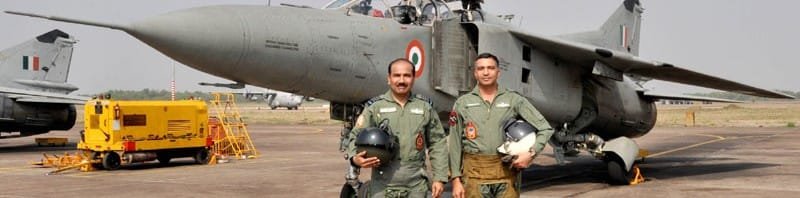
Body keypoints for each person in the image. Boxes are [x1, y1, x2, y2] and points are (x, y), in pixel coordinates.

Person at [448, 53, 554, 198]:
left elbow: (545, 128)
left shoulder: (514, 100)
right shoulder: (463, 103)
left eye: (491, 68)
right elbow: (455, 143)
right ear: (475, 73)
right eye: (481, 69)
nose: (486, 72)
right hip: (473, 178)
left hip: (507, 176)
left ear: (498, 72)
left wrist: (531, 153)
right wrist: (455, 180)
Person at [346, 58, 448, 198]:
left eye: (406, 76)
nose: (401, 80)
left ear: (413, 79)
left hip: (416, 183)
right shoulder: (375, 107)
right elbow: (355, 136)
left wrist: (439, 178)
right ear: (389, 79)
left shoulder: (424, 107)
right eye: (396, 76)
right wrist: (355, 159)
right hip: (382, 183)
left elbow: (438, 143)